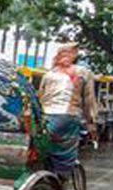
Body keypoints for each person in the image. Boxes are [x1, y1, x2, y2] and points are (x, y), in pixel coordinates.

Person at [38, 43, 97, 175]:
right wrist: (91, 123)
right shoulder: (84, 73)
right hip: (67, 116)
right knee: (66, 153)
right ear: (75, 56)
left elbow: (41, 97)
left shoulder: (49, 74)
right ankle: (62, 182)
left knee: (44, 147)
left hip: (46, 116)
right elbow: (89, 101)